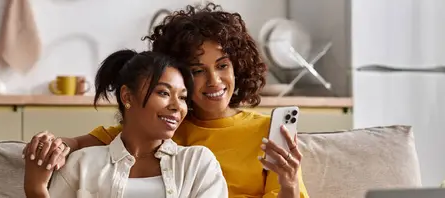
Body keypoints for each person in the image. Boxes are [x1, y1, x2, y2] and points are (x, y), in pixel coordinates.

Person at [23, 3, 309, 198]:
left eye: (223, 65)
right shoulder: (165, 128)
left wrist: (290, 184)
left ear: (238, 66)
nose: (214, 81)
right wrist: (55, 147)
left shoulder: (268, 134)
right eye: (197, 71)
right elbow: (101, 143)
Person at [23, 50, 228, 198]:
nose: (177, 107)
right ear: (127, 96)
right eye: (164, 93)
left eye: (183, 97)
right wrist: (36, 189)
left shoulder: (198, 163)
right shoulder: (82, 164)